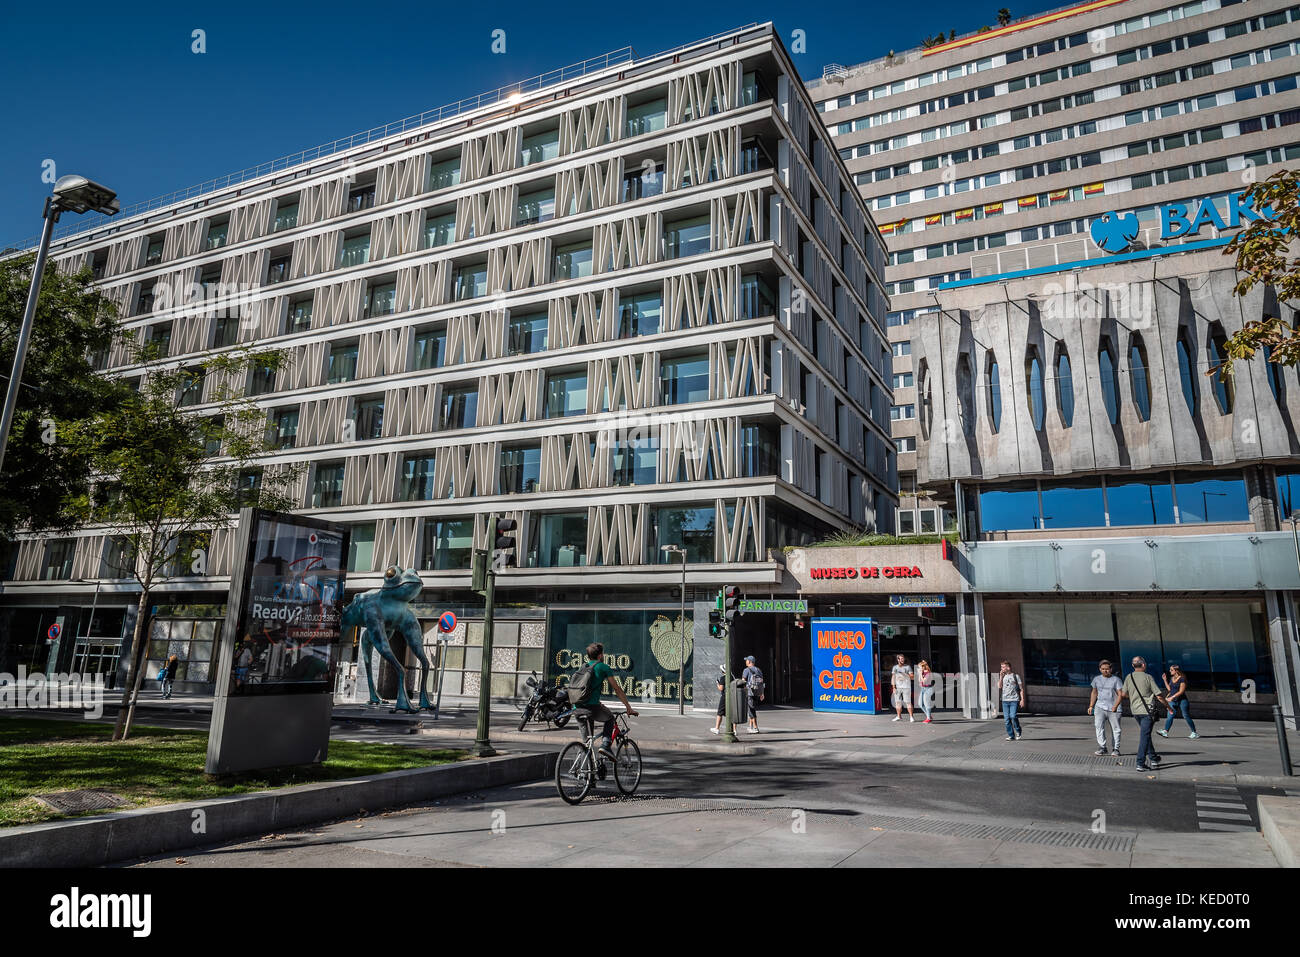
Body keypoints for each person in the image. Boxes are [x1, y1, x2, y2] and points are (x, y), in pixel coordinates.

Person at [570, 643, 638, 757]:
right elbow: (617, 689)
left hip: (578, 708)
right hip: (592, 708)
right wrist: (628, 707)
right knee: (610, 718)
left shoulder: (583, 667)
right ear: (600, 655)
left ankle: (582, 773)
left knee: (586, 744)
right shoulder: (603, 667)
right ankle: (606, 745)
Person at [1116, 656, 1168, 772]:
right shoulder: (1148, 677)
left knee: (1146, 734)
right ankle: (1140, 763)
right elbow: (1159, 695)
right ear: (1144, 665)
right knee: (1144, 736)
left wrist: (1134, 698)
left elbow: (1123, 694)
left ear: (1133, 666)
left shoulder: (1128, 677)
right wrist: (1169, 707)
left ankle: (1154, 758)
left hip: (1135, 711)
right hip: (1147, 711)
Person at [1088, 659, 1123, 756]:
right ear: (1100, 669)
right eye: (1103, 669)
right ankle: (1102, 747)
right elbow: (1094, 692)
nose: (1105, 671)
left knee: (1116, 729)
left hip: (1114, 708)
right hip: (1100, 707)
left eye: (1107, 669)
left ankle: (1116, 748)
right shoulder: (1096, 679)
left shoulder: (1116, 680)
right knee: (1098, 727)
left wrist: (1115, 706)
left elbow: (1121, 694)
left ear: (1111, 669)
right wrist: (1091, 706)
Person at [1158, 663, 1199, 739]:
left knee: (1186, 716)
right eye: (1170, 669)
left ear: (1176, 671)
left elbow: (1181, 691)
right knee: (1170, 716)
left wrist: (1172, 697)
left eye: (1171, 670)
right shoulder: (1172, 678)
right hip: (1173, 701)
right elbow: (1170, 689)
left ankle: (1194, 732)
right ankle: (1165, 731)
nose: (1170, 671)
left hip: (1182, 701)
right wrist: (1165, 680)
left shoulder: (1182, 679)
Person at [997, 660, 1025, 740]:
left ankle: (1018, 730)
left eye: (1003, 667)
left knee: (1013, 716)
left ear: (1008, 668)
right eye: (1001, 667)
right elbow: (999, 686)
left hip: (1014, 700)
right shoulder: (1003, 676)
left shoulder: (1016, 676)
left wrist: (1022, 700)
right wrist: (1001, 677)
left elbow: (1021, 689)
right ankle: (1011, 735)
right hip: (1005, 700)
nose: (1001, 669)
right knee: (1007, 719)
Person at [742, 655, 765, 733]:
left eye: (746, 660)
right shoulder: (759, 670)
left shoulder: (746, 670)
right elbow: (761, 682)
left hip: (749, 692)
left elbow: (743, 681)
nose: (745, 662)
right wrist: (762, 693)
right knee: (752, 708)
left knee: (751, 710)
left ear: (749, 661)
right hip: (757, 692)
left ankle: (755, 728)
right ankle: (750, 727)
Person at [891, 654, 915, 722]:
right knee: (897, 702)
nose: (902, 660)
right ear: (898, 659)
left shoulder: (907, 667)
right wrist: (893, 687)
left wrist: (905, 674)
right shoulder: (895, 667)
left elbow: (912, 677)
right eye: (901, 659)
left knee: (908, 702)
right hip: (898, 687)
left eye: (903, 658)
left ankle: (911, 717)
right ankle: (898, 716)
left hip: (906, 687)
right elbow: (893, 677)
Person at [711, 665, 729, 735]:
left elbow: (721, 688)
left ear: (723, 671)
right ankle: (734, 730)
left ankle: (717, 728)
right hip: (732, 697)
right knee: (731, 714)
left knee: (720, 712)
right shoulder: (732, 677)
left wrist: (717, 684)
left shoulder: (723, 678)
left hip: (724, 697)